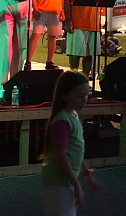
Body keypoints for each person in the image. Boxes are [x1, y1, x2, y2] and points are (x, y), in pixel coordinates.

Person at [40, 70, 99, 215]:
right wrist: (77, 185)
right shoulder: (62, 121)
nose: (84, 100)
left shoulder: (73, 115)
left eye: (87, 95)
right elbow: (61, 157)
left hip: (64, 180)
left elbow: (76, 153)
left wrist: (87, 176)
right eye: (79, 96)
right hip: (58, 181)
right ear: (64, 96)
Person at [64, 0, 103, 78]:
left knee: (90, 53)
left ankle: (85, 80)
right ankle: (73, 79)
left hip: (93, 22)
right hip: (77, 21)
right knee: (76, 53)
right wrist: (68, 20)